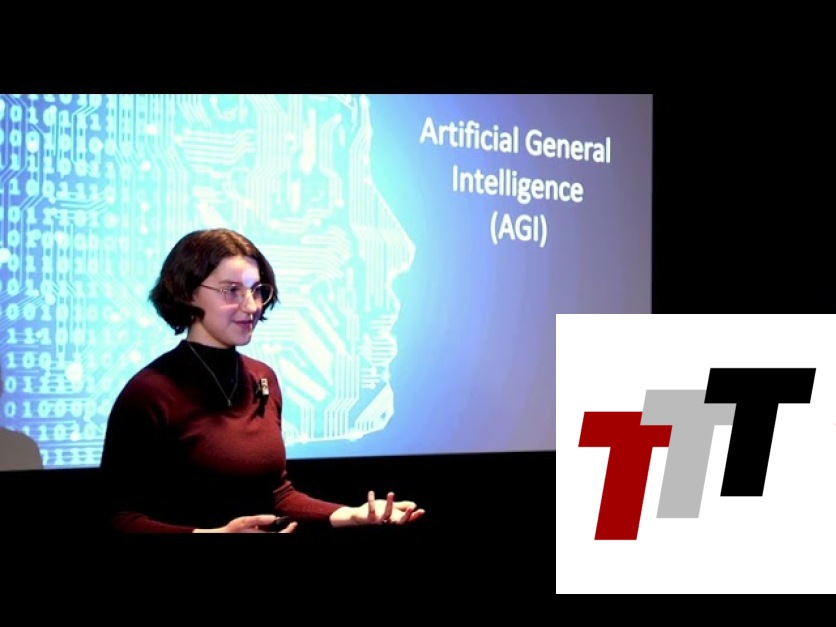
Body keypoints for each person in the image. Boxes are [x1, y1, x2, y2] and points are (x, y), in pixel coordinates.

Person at [99, 227, 425, 533]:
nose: (251, 306)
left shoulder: (262, 377)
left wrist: (353, 514)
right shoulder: (149, 392)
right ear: (188, 292)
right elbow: (118, 517)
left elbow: (278, 494)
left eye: (257, 291)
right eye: (231, 291)